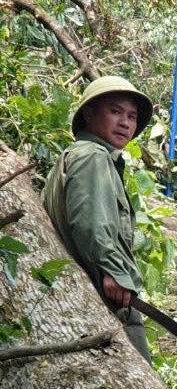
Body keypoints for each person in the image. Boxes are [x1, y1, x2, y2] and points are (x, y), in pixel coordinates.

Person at [43, 75, 154, 361]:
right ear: (89, 114)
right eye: (115, 111)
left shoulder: (79, 155)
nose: (125, 123)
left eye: (131, 116)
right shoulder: (92, 155)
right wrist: (113, 271)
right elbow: (92, 222)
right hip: (107, 294)